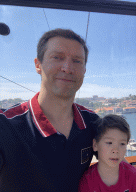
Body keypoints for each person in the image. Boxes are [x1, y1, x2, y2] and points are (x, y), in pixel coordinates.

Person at [0, 29, 99, 191]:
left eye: (77, 61)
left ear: (84, 71)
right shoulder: (6, 125)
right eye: (57, 57)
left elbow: (119, 170)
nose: (67, 68)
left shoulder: (92, 122)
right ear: (38, 65)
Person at [78, 114, 136, 192]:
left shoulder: (132, 175)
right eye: (109, 143)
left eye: (122, 144)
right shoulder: (87, 180)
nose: (116, 150)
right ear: (95, 145)